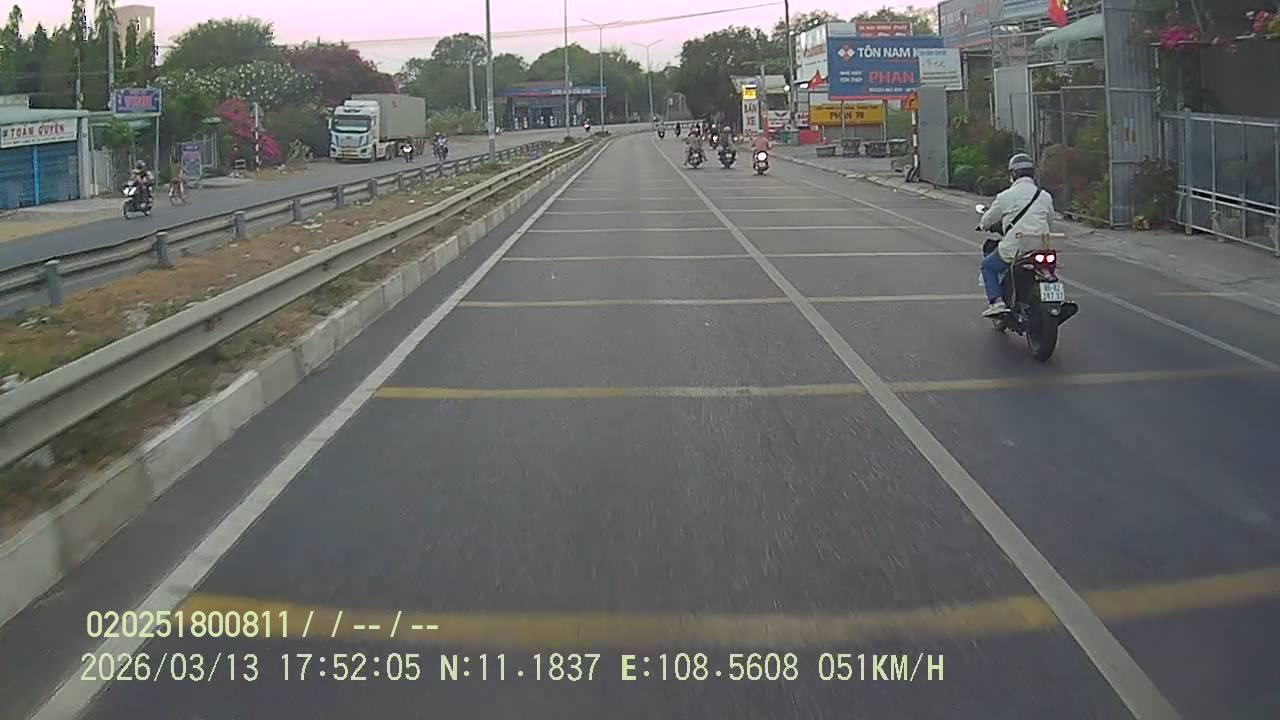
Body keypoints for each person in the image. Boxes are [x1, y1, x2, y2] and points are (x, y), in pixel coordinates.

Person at [978, 153, 1056, 317]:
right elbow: (1050, 221)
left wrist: (983, 225)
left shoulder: (1005, 196)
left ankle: (997, 303)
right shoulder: (1044, 196)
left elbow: (987, 220)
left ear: (1013, 174)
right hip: (1042, 246)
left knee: (988, 266)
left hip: (1016, 248)